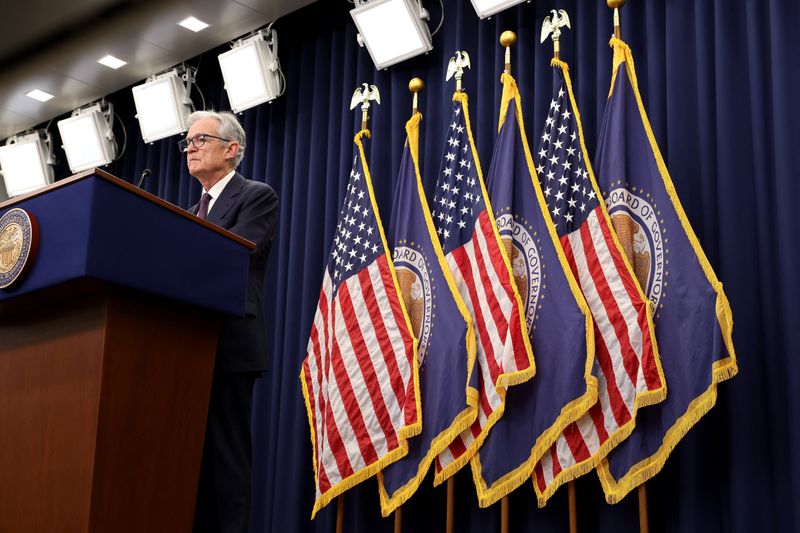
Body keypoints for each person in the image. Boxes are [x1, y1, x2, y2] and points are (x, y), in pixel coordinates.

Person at [180, 110, 279, 533]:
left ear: (231, 149)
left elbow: (243, 251)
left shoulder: (256, 195)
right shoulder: (186, 213)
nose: (190, 148)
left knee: (227, 458)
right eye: (187, 142)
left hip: (229, 343)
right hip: (185, 347)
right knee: (192, 462)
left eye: (200, 140)